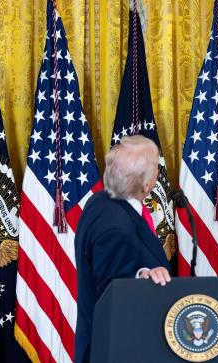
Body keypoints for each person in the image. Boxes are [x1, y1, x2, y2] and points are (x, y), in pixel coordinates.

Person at [74, 135, 172, 363]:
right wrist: (140, 277)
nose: (158, 170)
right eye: (156, 166)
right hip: (115, 351)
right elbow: (113, 294)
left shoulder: (100, 201)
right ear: (147, 185)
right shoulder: (114, 228)